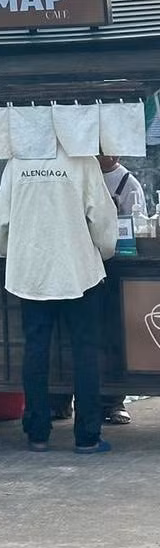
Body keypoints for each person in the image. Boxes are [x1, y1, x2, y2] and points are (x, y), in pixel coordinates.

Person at [0, 148, 118, 453]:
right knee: (85, 353)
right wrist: (105, 250)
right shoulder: (82, 159)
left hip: (32, 274)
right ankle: (87, 436)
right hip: (78, 272)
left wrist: (15, 250)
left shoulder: (18, 161)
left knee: (35, 351)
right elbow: (101, 218)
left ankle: (37, 433)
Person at [97, 154, 147, 425]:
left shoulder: (129, 183)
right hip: (84, 263)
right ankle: (60, 400)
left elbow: (138, 227)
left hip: (118, 268)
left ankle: (113, 401)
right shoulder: (80, 173)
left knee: (114, 334)